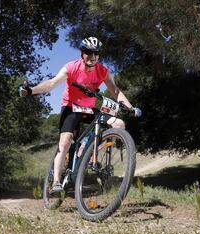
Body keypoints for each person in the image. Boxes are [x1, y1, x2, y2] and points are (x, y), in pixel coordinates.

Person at [19, 36, 142, 193]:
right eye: (88, 52)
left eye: (96, 53)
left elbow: (115, 91)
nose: (92, 57)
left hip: (89, 109)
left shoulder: (103, 71)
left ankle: (87, 149)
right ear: (82, 53)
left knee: (119, 124)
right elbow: (51, 84)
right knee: (65, 142)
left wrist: (130, 108)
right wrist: (30, 90)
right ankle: (56, 180)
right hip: (71, 107)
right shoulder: (71, 67)